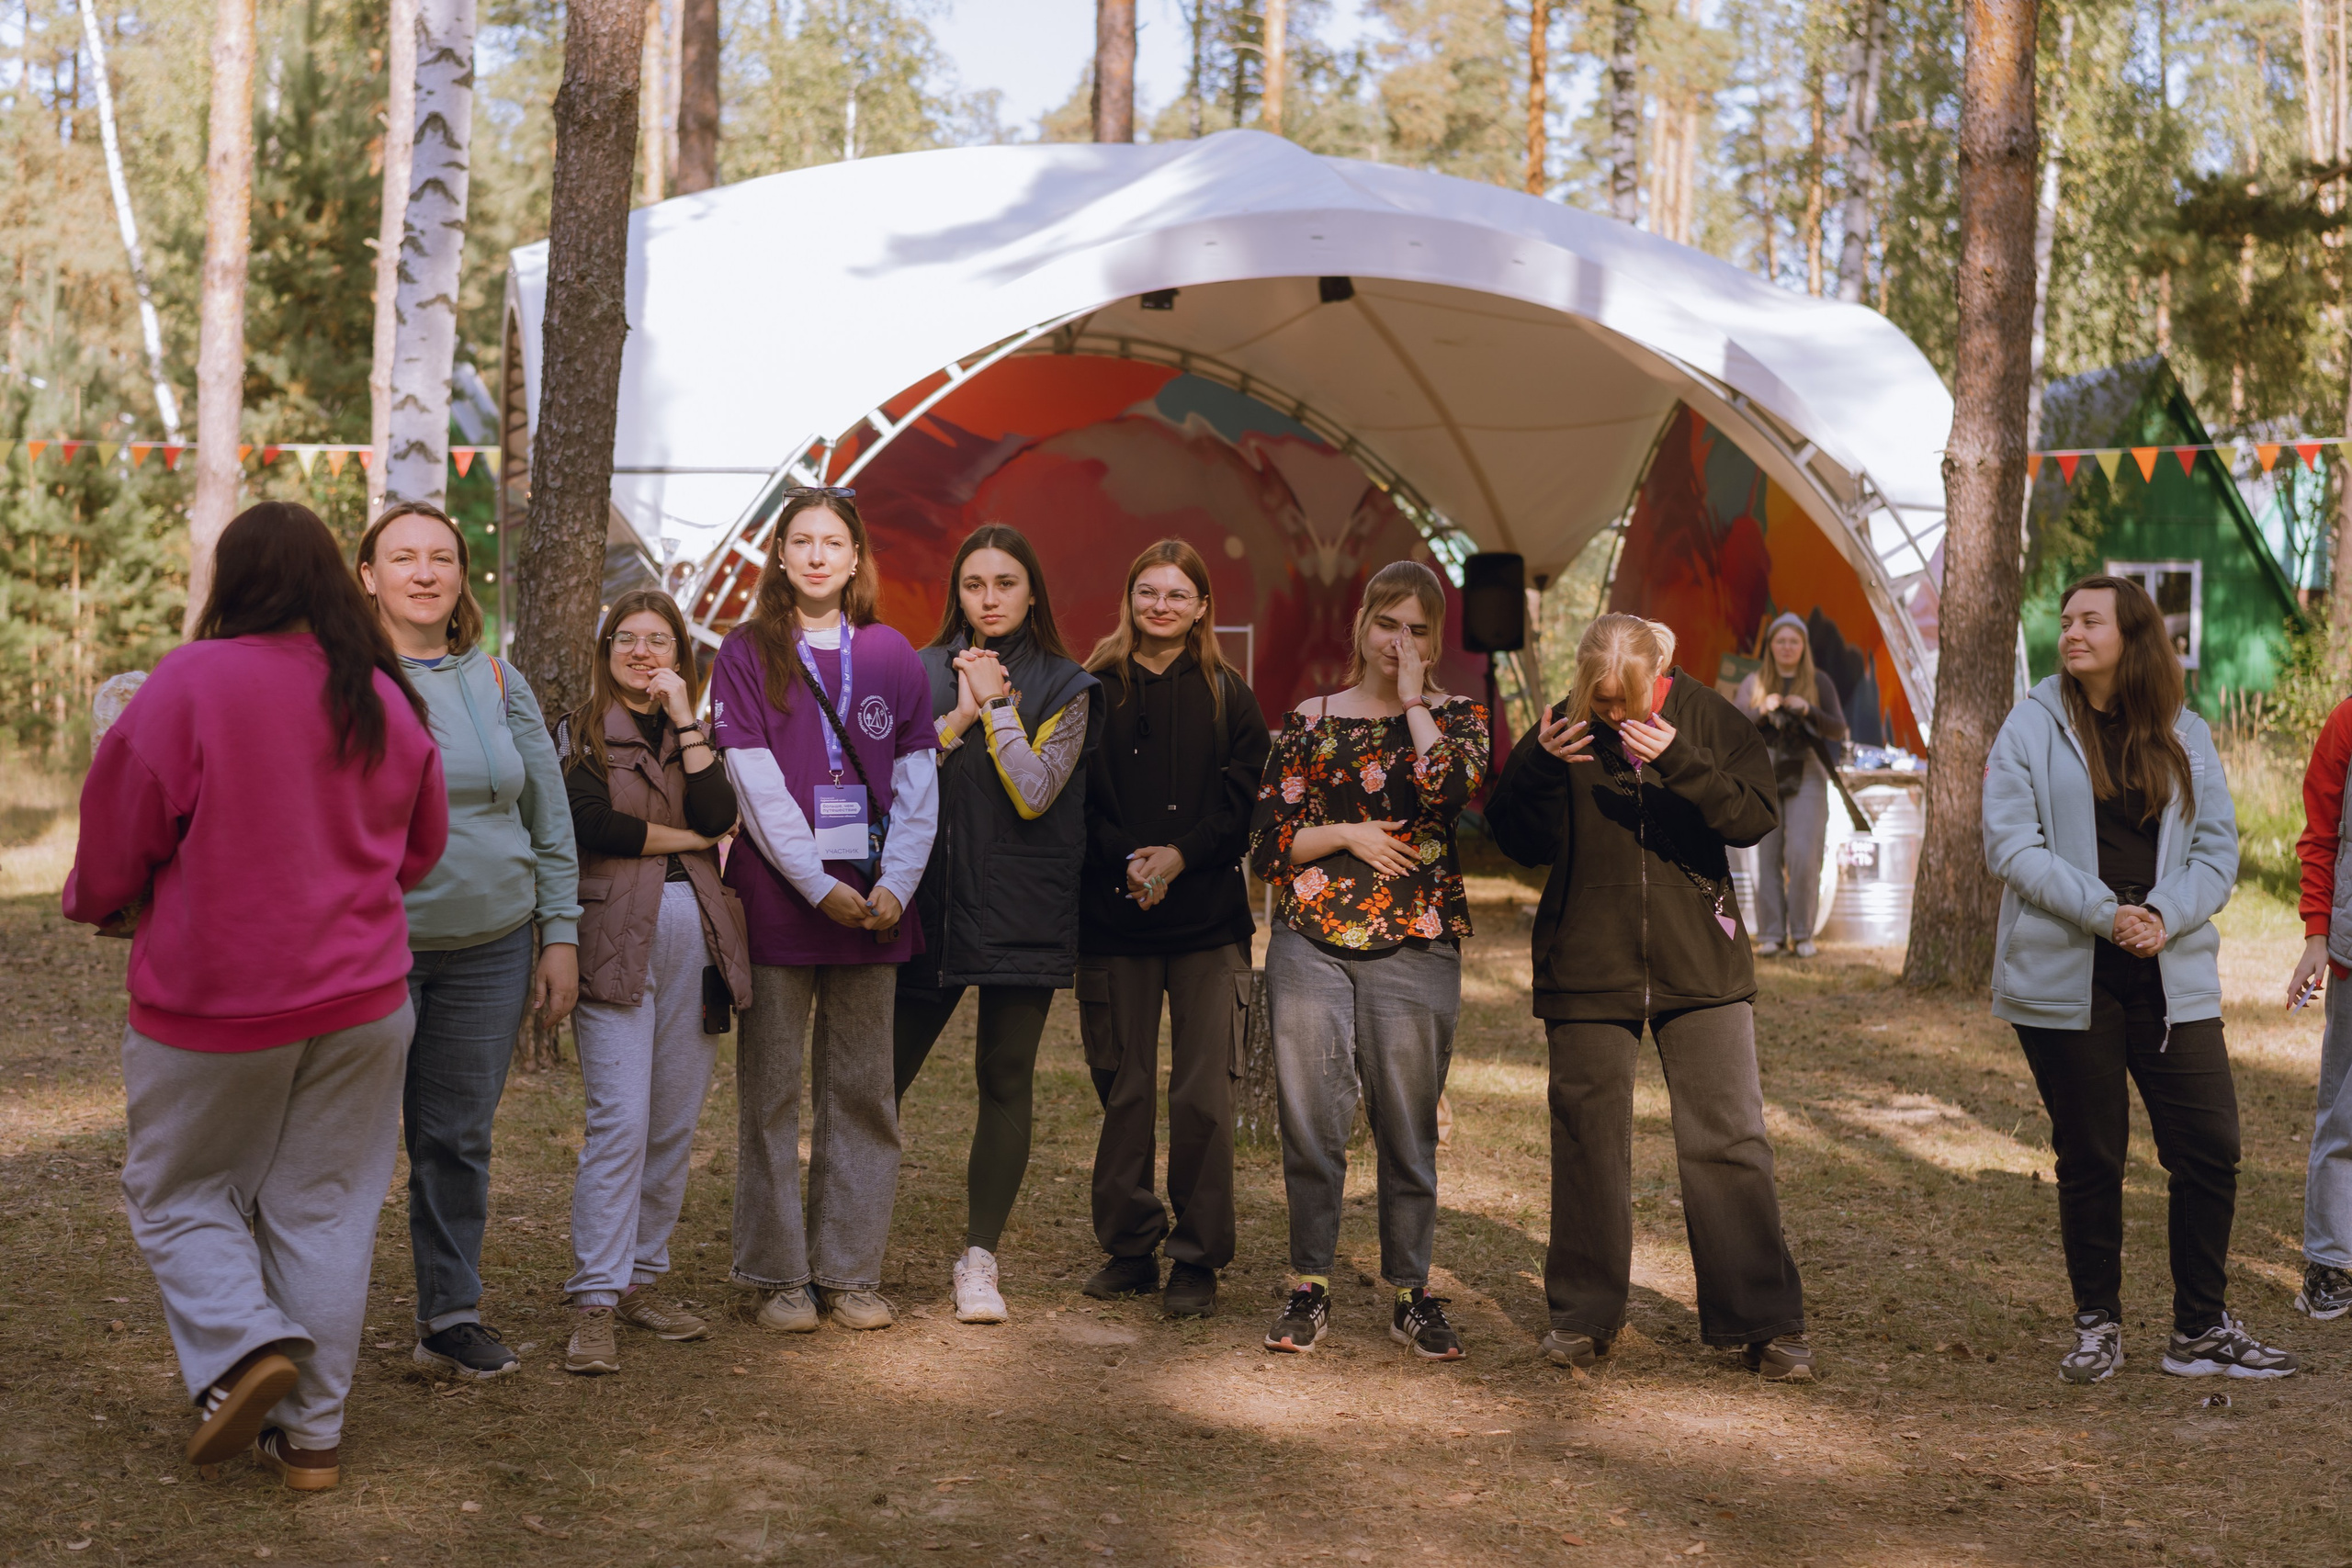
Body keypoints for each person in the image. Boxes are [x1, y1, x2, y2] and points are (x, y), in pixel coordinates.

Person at [65, 502, 448, 1490]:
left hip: (217, 1003)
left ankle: (242, 1352)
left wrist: (104, 901)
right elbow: (421, 846)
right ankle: (312, 1442)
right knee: (324, 1212)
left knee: (181, 1191)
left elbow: (120, 824)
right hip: (364, 998)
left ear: (229, 582)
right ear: (334, 578)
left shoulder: (194, 680)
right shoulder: (381, 690)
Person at [1983, 575, 2294, 1382]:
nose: (2071, 631)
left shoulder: (2184, 731)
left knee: (2211, 1146)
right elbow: (2011, 846)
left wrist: (2161, 914)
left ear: (2132, 634)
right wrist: (2104, 913)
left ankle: (2199, 1328)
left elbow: (2217, 853)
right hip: (2068, 969)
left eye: (2091, 620)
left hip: (2169, 966)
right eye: (2066, 620)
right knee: (2091, 1153)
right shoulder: (2031, 724)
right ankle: (2098, 1324)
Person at [1485, 614, 1812, 1380]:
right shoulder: (1562, 729)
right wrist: (1535, 761)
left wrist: (1681, 760)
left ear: (1655, 676)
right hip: (1587, 960)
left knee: (1730, 1136)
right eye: (1598, 699)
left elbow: (1752, 817)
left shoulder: (1706, 717)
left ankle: (1764, 1319)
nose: (1611, 714)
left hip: (1703, 958)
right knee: (1587, 1135)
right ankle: (1582, 1314)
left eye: (1624, 700)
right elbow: (1515, 838)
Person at [357, 502, 581, 1381]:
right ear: (367, 577)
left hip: (493, 946)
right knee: (345, 1142)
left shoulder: (496, 680)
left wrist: (557, 933)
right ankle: (299, 1318)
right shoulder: (347, 679)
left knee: (456, 1139)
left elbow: (548, 815)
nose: (423, 572)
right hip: (374, 952)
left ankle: (449, 1315)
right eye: (402, 557)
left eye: (441, 557)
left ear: (461, 576)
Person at [711, 489, 940, 1334]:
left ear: (855, 559)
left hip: (877, 905)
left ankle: (848, 1270)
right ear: (778, 555)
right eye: (800, 540)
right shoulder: (745, 651)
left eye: (832, 541)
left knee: (863, 1092)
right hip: (782, 903)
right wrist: (817, 885)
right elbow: (754, 784)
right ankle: (779, 1275)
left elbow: (919, 780)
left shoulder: (892, 655)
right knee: (770, 1094)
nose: (815, 555)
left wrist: (895, 886)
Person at [1250, 559, 1487, 1361]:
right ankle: (1309, 1283)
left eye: (1418, 628)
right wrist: (1349, 834)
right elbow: (1266, 843)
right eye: (1388, 623)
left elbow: (1451, 793)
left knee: (1407, 1125)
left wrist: (1416, 701)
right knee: (1312, 1123)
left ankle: (1412, 1293)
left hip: (1415, 941)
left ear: (1436, 637)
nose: (1401, 641)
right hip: (1311, 939)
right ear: (1362, 624)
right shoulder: (1312, 717)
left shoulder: (1459, 717)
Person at [895, 523, 1102, 1325]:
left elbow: (1036, 790)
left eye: (1005, 583)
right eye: (975, 583)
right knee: (880, 1079)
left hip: (1023, 904)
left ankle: (980, 1258)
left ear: (1031, 592)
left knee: (1005, 1077)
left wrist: (996, 707)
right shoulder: (914, 671)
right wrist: (954, 711)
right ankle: (840, 1246)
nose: (989, 598)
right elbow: (895, 778)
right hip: (928, 901)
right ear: (958, 591)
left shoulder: (1071, 684)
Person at [557, 590, 752, 1374]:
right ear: (606, 653)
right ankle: (595, 1298)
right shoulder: (579, 731)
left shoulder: (693, 730)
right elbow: (592, 825)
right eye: (626, 641)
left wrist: (687, 722)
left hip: (698, 942)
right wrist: (694, 837)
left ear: (680, 652)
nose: (643, 653)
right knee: (620, 1121)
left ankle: (642, 1278)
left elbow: (722, 804)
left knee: (671, 1123)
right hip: (613, 939)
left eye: (659, 640)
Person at [1076, 539, 1271, 1319]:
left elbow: (1244, 804)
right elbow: (1078, 803)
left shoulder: (1231, 695)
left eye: (1177, 594)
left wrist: (1179, 856)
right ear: (1130, 599)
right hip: (1115, 920)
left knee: (1201, 1098)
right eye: (1147, 592)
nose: (1161, 606)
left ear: (1200, 608)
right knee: (1123, 1090)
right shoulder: (1092, 689)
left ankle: (1197, 1255)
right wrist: (1130, 861)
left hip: (1205, 925)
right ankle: (1128, 1246)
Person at [2286, 688, 2352, 1322]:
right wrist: (2315, 935)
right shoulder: (2347, 720)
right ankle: (2330, 1265)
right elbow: (2321, 837)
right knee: (2345, 1112)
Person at [1735, 612, 1848, 957]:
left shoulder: (1819, 682)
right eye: (1780, 641)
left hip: (1808, 770)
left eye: (1793, 641)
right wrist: (1762, 711)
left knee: (1803, 852)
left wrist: (1809, 710)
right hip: (1762, 770)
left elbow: (1837, 729)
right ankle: (1771, 934)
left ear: (1803, 646)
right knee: (1764, 853)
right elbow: (1733, 726)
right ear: (1771, 646)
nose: (1787, 647)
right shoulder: (1754, 682)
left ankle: (1802, 934)